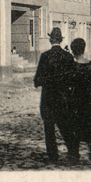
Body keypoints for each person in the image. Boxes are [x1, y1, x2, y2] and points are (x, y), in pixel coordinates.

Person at [33, 28, 76, 162]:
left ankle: (53, 156)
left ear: (51, 39)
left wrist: (48, 81)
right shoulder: (68, 57)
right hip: (64, 98)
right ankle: (73, 152)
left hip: (48, 99)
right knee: (65, 126)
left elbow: (37, 80)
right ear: (61, 40)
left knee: (49, 128)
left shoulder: (45, 56)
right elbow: (74, 79)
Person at [68, 38, 91, 163]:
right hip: (89, 102)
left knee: (74, 127)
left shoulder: (72, 67)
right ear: (84, 49)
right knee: (90, 125)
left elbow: (68, 86)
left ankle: (74, 154)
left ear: (73, 51)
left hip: (75, 103)